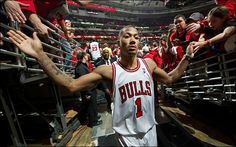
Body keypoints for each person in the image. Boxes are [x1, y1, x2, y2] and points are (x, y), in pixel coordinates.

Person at [7, 25, 195, 146]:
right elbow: (70, 84)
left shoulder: (149, 64)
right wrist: (41, 55)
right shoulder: (109, 70)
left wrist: (187, 56)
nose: (132, 40)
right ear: (118, 42)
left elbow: (171, 78)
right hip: (127, 137)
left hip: (150, 130)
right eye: (127, 36)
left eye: (136, 37)